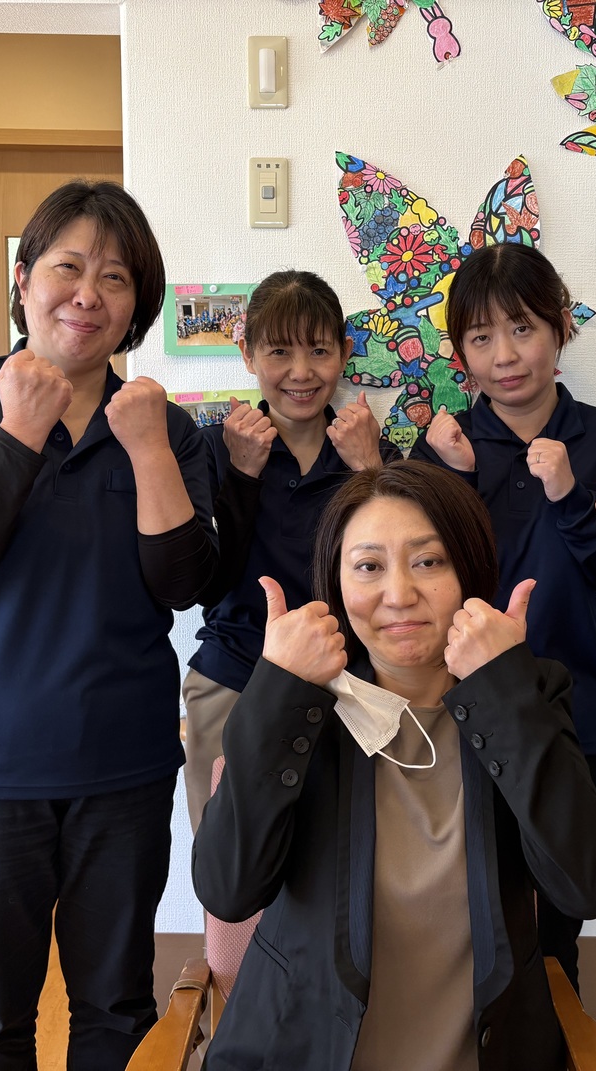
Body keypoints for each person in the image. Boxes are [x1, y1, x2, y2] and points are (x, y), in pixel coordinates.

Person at [0, 179, 216, 1070]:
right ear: (24, 278)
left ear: (138, 305)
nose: (87, 294)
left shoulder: (162, 426)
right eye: (68, 267)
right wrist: (20, 431)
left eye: (115, 278)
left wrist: (147, 447)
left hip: (124, 763)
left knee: (118, 1011)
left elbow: (182, 583)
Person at [193, 460, 596, 1071]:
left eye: (428, 561)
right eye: (368, 566)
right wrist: (278, 690)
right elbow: (229, 890)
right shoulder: (302, 706)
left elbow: (590, 886)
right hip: (306, 1050)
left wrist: (502, 690)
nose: (398, 595)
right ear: (336, 583)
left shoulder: (527, 695)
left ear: (469, 571)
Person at [410, 242, 596, 990]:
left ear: (559, 328)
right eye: (481, 337)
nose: (505, 356)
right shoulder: (444, 444)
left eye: (522, 329)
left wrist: (569, 493)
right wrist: (447, 476)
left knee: (556, 937)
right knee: (460, 932)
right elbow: (415, 591)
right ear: (460, 352)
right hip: (453, 720)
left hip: (573, 718)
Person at [182, 270, 399, 833]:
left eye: (319, 351)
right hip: (235, 676)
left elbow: (402, 578)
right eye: (279, 351)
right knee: (229, 854)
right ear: (247, 354)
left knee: (342, 860)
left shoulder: (372, 452)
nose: (301, 372)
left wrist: (369, 469)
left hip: (352, 684)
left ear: (344, 353)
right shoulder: (209, 449)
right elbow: (204, 585)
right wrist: (242, 475)